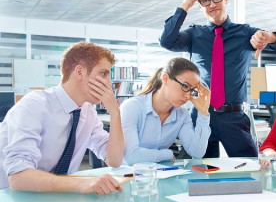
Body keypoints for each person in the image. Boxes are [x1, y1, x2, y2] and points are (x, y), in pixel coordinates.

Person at [160, 0, 276, 158]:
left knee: (250, 168)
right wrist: (184, 5)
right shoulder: (194, 35)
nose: (212, 4)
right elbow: (167, 41)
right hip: (202, 115)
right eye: (205, 1)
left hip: (235, 117)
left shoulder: (244, 33)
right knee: (201, 172)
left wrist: (269, 36)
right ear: (200, 6)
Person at [0, 42, 124, 194]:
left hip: (56, 198)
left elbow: (114, 160)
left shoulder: (88, 112)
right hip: (13, 201)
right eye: (104, 74)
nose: (109, 84)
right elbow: (18, 177)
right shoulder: (33, 107)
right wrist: (81, 184)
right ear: (79, 72)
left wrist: (115, 114)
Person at [120, 57, 211, 164]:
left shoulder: (182, 115)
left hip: (161, 175)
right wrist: (167, 154)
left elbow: (196, 153)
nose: (188, 96)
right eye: (185, 86)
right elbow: (130, 156)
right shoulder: (132, 107)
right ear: (165, 79)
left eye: (191, 90)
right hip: (128, 176)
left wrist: (203, 113)